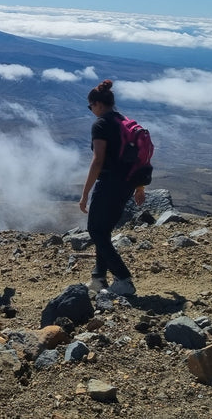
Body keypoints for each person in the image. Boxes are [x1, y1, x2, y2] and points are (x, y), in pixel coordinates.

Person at [80, 80, 145, 296]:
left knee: (95, 231)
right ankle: (99, 278)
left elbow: (98, 161)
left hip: (109, 184)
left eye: (90, 107)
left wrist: (85, 192)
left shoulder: (101, 124)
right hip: (126, 184)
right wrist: (139, 187)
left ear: (98, 104)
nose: (91, 111)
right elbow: (137, 157)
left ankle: (124, 280)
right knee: (103, 231)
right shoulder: (123, 121)